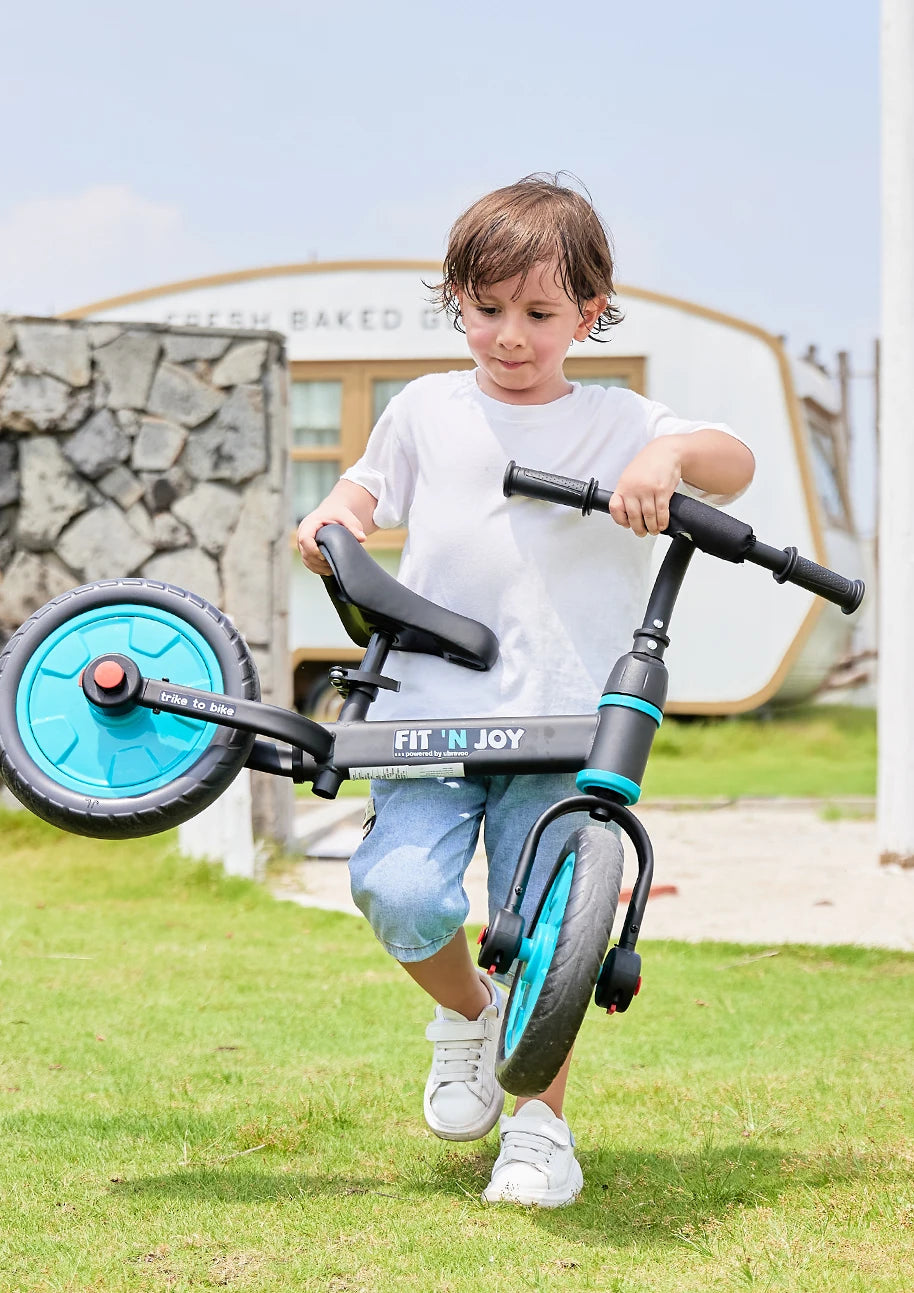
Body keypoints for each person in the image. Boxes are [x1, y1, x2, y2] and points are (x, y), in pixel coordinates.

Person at [297, 174, 755, 1207]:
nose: (509, 335)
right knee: (399, 889)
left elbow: (734, 460)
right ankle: (467, 1016)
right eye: (487, 308)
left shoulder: (618, 419)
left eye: (539, 314)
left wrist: (667, 455)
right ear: (456, 299)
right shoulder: (425, 408)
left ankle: (540, 1130)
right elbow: (365, 486)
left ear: (587, 315)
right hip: (429, 708)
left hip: (562, 719)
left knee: (548, 929)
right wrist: (336, 511)